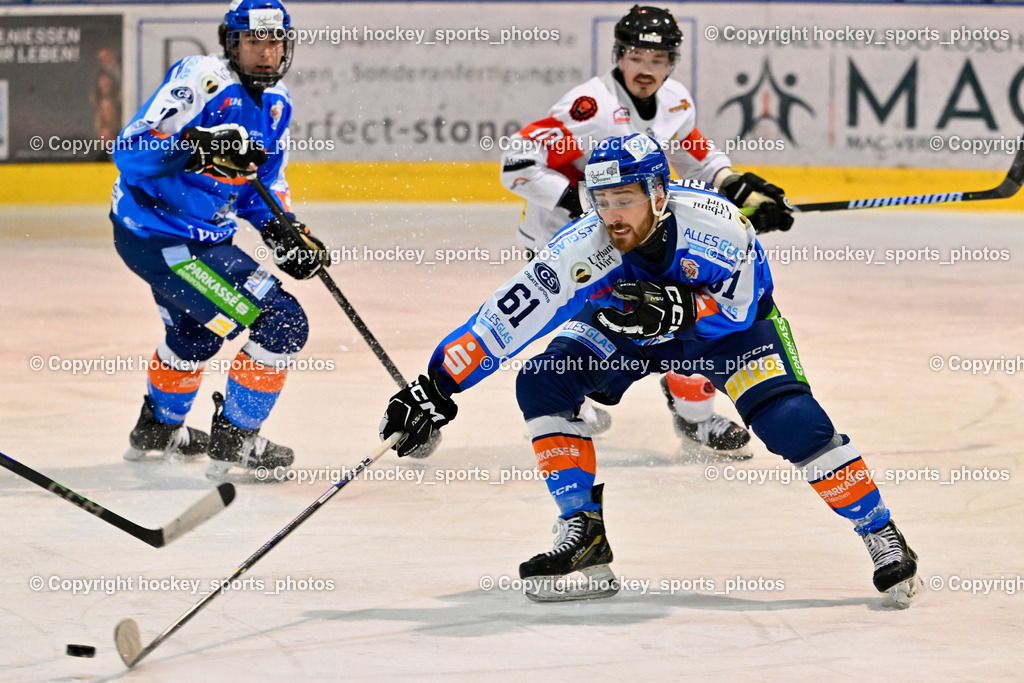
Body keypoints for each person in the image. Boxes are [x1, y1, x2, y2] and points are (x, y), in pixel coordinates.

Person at [382, 133, 920, 607]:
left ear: (658, 195)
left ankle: (880, 530)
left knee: (794, 424)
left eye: (625, 199)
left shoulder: (718, 227)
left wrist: (681, 309)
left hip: (727, 334)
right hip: (630, 328)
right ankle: (583, 528)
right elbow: (506, 317)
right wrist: (436, 387)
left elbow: (741, 306)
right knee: (542, 380)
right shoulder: (583, 247)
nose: (612, 215)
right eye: (602, 201)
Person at [499, 5, 794, 459]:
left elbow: (693, 143)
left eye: (658, 61)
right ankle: (566, 399)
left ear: (671, 63)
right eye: (637, 57)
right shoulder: (590, 110)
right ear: (619, 55)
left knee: (680, 314)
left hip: (636, 237)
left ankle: (694, 417)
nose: (647, 70)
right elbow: (516, 164)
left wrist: (730, 181)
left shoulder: (675, 99)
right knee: (596, 326)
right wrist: (580, 200)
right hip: (572, 241)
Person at [110, 0, 329, 480]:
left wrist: (281, 227)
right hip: (162, 236)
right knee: (283, 323)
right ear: (231, 43)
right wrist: (196, 146)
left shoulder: (277, 103)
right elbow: (129, 151)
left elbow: (261, 183)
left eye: (274, 42)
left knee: (193, 335)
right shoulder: (202, 81)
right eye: (254, 41)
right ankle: (235, 441)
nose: (266, 53)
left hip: (187, 239)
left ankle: (158, 430)